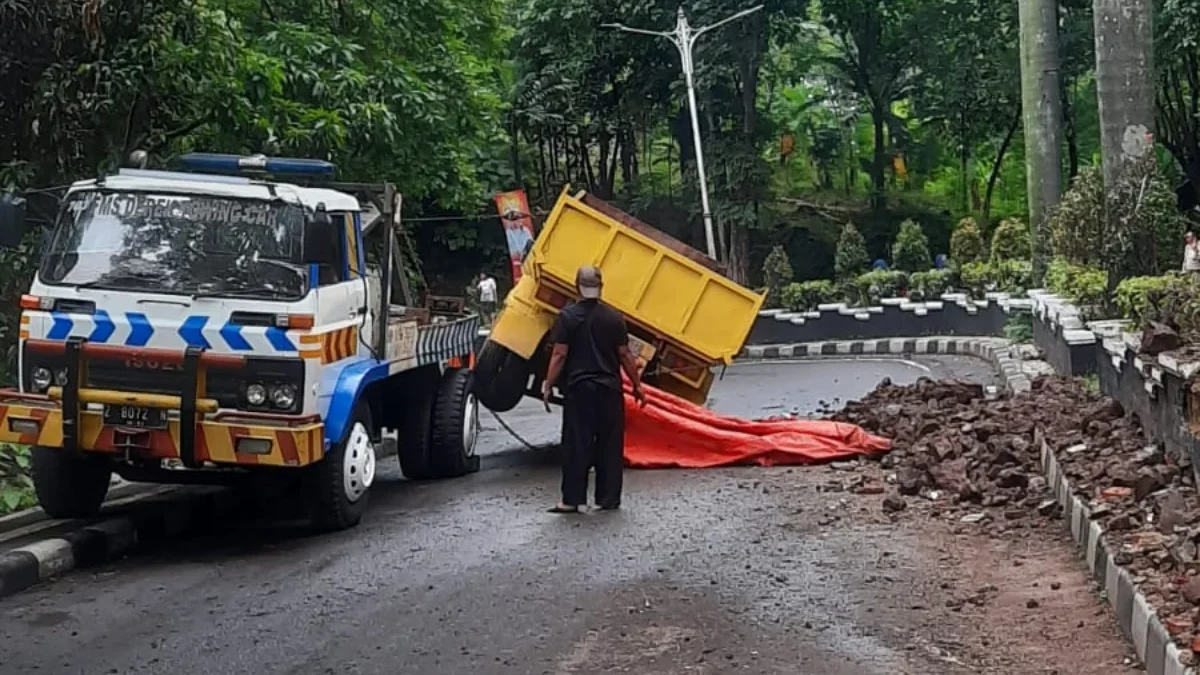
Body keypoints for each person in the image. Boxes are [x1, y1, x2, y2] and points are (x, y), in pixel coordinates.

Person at [542, 265, 645, 514]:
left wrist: (548, 384)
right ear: (601, 287)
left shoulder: (567, 317)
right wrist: (637, 385)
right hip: (610, 390)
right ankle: (608, 499)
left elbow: (559, 353)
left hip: (579, 390)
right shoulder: (614, 317)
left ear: (577, 286)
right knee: (610, 445)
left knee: (577, 443)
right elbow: (625, 355)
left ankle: (571, 500)